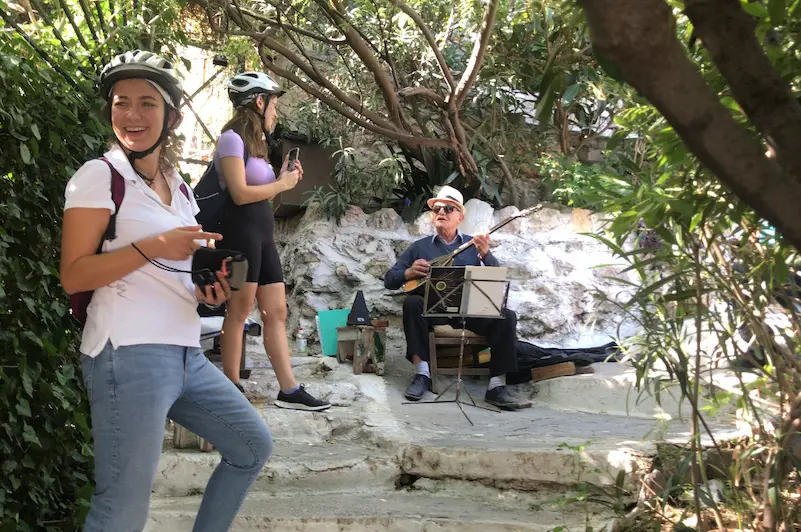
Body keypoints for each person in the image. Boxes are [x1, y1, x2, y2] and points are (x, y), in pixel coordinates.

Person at [60, 50, 273, 530]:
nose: (132, 115)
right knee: (122, 509)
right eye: (121, 103)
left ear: (172, 116)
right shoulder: (100, 177)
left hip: (185, 352)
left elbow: (174, 270)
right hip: (128, 355)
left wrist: (206, 294)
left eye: (147, 103)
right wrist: (154, 244)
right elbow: (73, 275)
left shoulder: (178, 187)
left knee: (251, 446)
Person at [215, 71, 330, 411]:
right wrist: (280, 186)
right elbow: (239, 194)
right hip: (238, 236)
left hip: (262, 237)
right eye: (273, 104)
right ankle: (231, 385)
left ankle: (289, 390)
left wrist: (283, 180)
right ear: (259, 102)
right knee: (238, 310)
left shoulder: (257, 143)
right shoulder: (231, 139)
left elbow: (263, 193)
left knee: (276, 311)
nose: (276, 112)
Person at [384, 186, 532, 410]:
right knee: (412, 303)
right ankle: (422, 374)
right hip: (433, 312)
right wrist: (408, 273)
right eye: (437, 209)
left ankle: (496, 385)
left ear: (460, 216)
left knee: (507, 316)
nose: (441, 212)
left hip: (469, 312)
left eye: (448, 209)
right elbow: (390, 279)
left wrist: (486, 255)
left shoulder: (473, 245)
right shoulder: (419, 247)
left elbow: (496, 277)